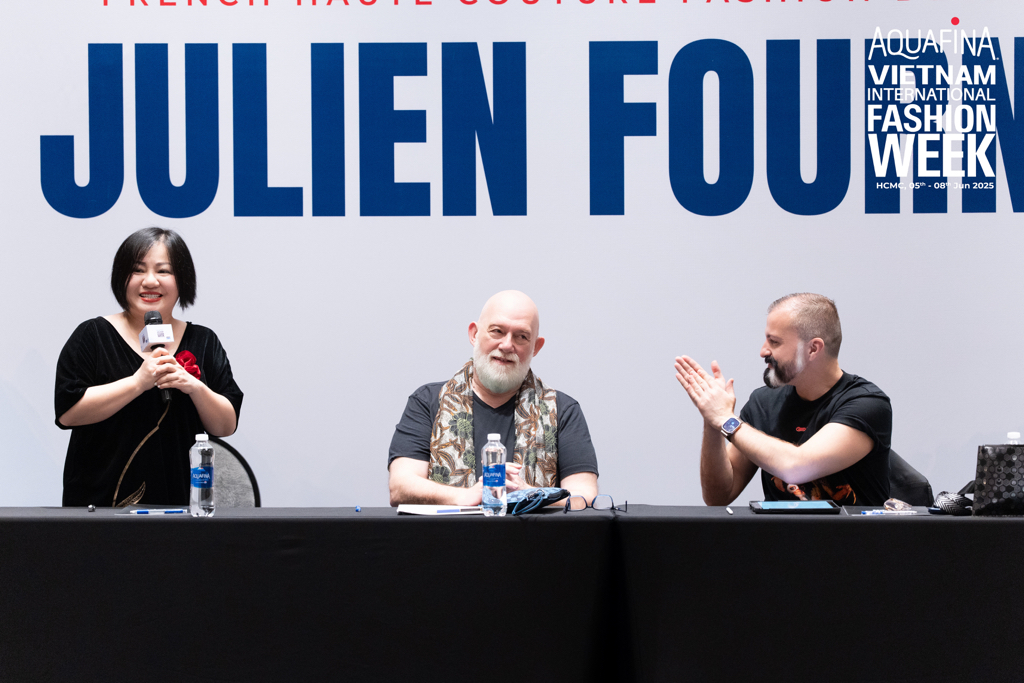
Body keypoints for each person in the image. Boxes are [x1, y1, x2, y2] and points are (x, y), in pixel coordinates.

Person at [55, 228, 243, 508]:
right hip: (100, 505)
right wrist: (138, 383)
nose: (150, 281)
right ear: (121, 277)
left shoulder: (204, 340)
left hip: (179, 503)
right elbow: (68, 413)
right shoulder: (92, 335)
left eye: (163, 271)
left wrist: (194, 387)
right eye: (137, 270)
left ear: (183, 280)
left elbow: (226, 425)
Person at [675, 293, 891, 507]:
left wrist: (725, 419)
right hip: (778, 531)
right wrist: (712, 420)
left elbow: (796, 467)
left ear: (813, 349)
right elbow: (718, 497)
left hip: (849, 531)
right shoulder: (763, 403)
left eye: (775, 342)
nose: (763, 351)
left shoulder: (867, 403)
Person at [388, 290, 599, 506]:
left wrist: (527, 493)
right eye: (497, 331)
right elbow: (400, 486)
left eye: (521, 336)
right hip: (449, 529)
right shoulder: (428, 401)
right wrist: (467, 496)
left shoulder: (562, 410)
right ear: (474, 334)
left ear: (536, 347)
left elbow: (585, 495)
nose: (507, 345)